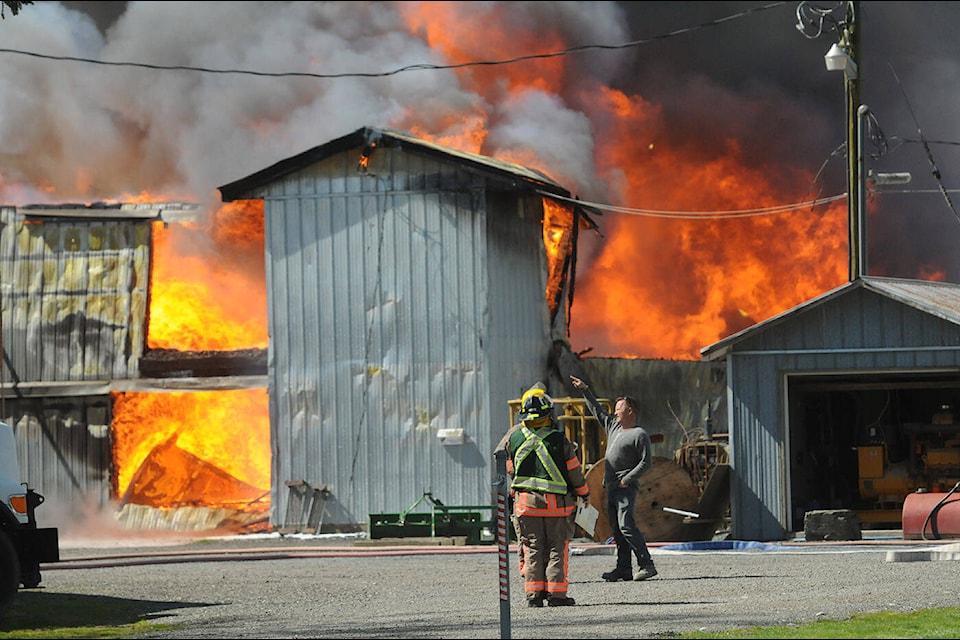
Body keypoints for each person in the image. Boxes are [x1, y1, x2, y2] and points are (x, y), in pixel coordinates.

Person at [504, 382, 590, 607]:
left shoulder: (513, 438)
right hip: (556, 507)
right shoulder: (558, 439)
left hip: (524, 505)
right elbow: (574, 472)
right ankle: (556, 596)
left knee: (532, 548)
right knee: (556, 548)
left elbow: (510, 469)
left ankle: (534, 596)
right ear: (548, 413)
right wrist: (584, 493)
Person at [570, 375, 658, 582]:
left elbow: (646, 463)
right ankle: (624, 568)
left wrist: (627, 479)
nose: (615, 411)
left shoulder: (639, 434)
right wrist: (585, 389)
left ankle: (646, 564)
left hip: (625, 488)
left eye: (619, 408)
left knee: (626, 525)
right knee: (617, 529)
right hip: (610, 488)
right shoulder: (613, 427)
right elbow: (597, 411)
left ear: (630, 411)